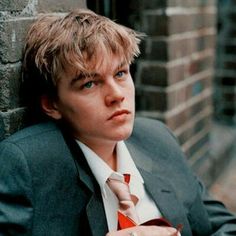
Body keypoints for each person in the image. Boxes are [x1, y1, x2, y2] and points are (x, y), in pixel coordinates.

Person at [0, 8, 235, 236]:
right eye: (90, 83)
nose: (117, 95)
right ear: (52, 104)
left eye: (121, 73)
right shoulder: (27, 166)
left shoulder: (158, 138)